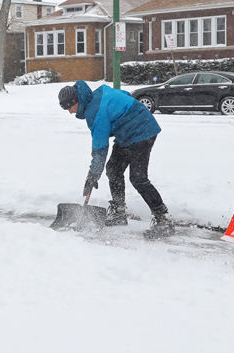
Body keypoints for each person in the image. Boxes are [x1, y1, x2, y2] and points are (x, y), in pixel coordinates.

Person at [58, 81, 173, 239]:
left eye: (68, 108)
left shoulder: (95, 112)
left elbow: (100, 149)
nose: (70, 112)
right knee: (113, 169)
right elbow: (124, 96)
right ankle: (119, 211)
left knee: (138, 177)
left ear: (75, 101)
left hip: (142, 130)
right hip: (125, 132)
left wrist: (93, 175)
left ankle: (163, 218)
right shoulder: (97, 95)